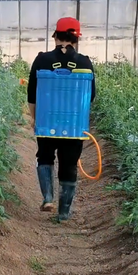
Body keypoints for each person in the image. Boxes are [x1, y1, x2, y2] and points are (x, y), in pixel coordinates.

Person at [26, 17, 96, 222]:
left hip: (48, 121)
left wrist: (34, 118)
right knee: (69, 163)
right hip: (74, 125)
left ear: (55, 36)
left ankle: (48, 198)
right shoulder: (84, 62)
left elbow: (32, 94)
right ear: (76, 39)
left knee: (45, 157)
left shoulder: (42, 60)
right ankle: (64, 213)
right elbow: (90, 95)